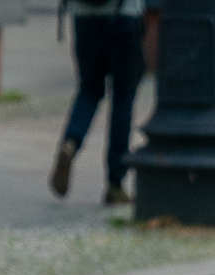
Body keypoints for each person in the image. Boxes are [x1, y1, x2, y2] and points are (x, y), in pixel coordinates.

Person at [49, 0, 141, 207]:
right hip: (124, 16)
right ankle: (115, 185)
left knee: (89, 90)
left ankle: (71, 142)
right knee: (122, 98)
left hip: (84, 17)